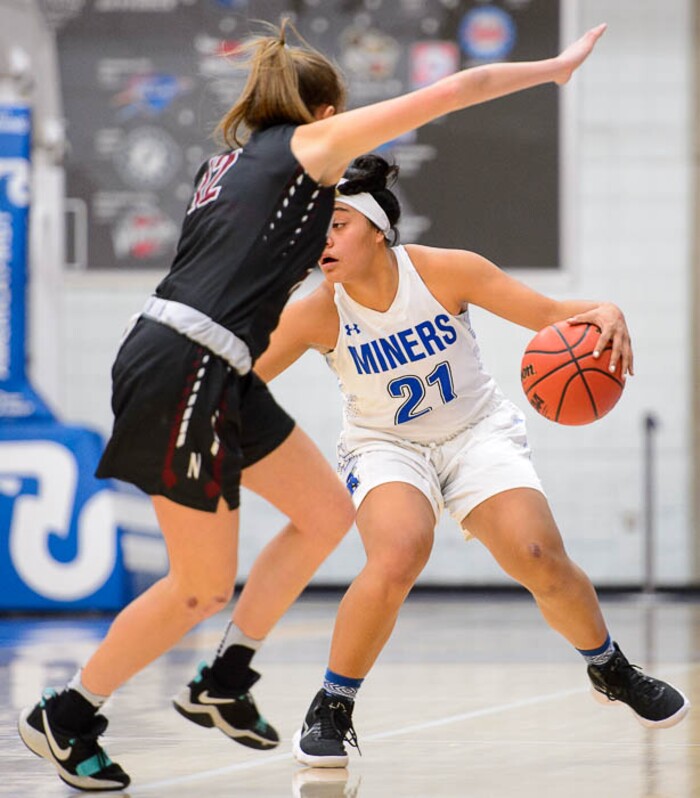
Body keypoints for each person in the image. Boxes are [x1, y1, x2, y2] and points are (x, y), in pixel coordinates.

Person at [18, 18, 610, 792]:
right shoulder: (309, 149)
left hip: (213, 362)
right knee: (199, 587)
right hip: (186, 364)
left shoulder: (223, 166)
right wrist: (556, 70)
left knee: (327, 513)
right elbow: (456, 89)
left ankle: (224, 678)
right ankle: (68, 715)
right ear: (325, 113)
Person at [252, 153, 691, 768]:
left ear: (378, 229)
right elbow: (240, 377)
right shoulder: (315, 310)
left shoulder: (444, 271)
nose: (322, 240)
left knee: (536, 553)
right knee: (401, 550)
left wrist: (608, 310)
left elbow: (550, 314)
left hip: (476, 430)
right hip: (385, 445)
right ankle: (332, 704)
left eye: (338, 224)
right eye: (315, 229)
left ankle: (610, 669)